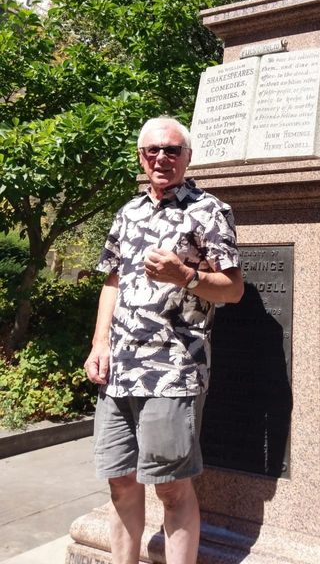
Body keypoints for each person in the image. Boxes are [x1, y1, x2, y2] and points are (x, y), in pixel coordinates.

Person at [84, 116, 244, 564]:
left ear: (187, 157)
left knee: (172, 488)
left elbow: (232, 290)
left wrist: (186, 275)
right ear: (141, 156)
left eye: (172, 150)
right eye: (153, 150)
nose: (161, 158)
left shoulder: (209, 210)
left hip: (173, 370)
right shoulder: (128, 212)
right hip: (119, 369)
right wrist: (100, 344)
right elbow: (112, 282)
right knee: (120, 480)